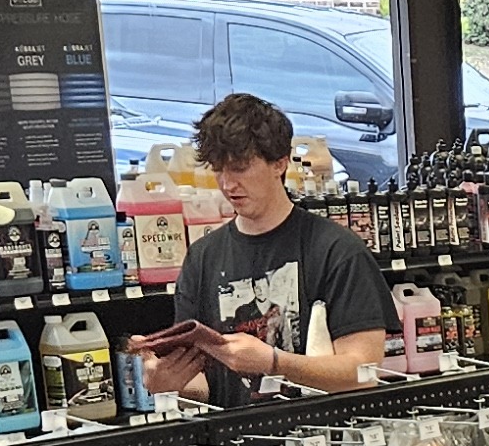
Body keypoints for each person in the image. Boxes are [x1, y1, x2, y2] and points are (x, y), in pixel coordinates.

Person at [129, 91, 391, 409]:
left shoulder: (337, 251)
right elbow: (204, 387)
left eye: (239, 168)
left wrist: (275, 362)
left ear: (280, 163)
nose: (227, 184)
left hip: (325, 445)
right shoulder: (202, 258)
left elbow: (363, 372)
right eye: (218, 169)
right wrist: (170, 385)